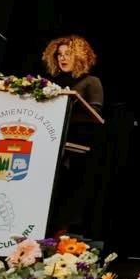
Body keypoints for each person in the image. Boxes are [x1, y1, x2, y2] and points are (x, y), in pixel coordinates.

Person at [42, 34, 104, 237]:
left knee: (67, 193)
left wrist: (69, 106)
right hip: (47, 143)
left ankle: (61, 233)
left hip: (74, 147)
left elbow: (94, 115)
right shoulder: (49, 84)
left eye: (68, 53)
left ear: (79, 56)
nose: (63, 58)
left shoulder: (91, 82)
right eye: (59, 54)